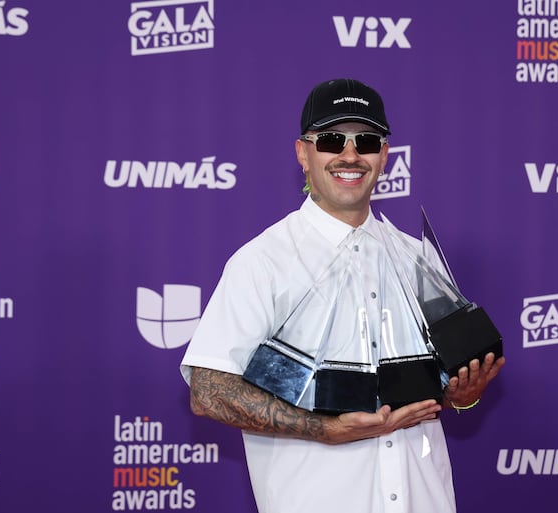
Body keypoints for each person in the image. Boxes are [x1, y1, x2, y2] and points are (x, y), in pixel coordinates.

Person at [180, 78, 505, 513]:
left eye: (367, 141)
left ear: (384, 155)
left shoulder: (416, 258)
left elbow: (436, 388)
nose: (350, 155)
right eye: (332, 140)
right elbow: (208, 390)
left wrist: (464, 394)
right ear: (303, 153)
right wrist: (324, 428)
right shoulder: (262, 262)